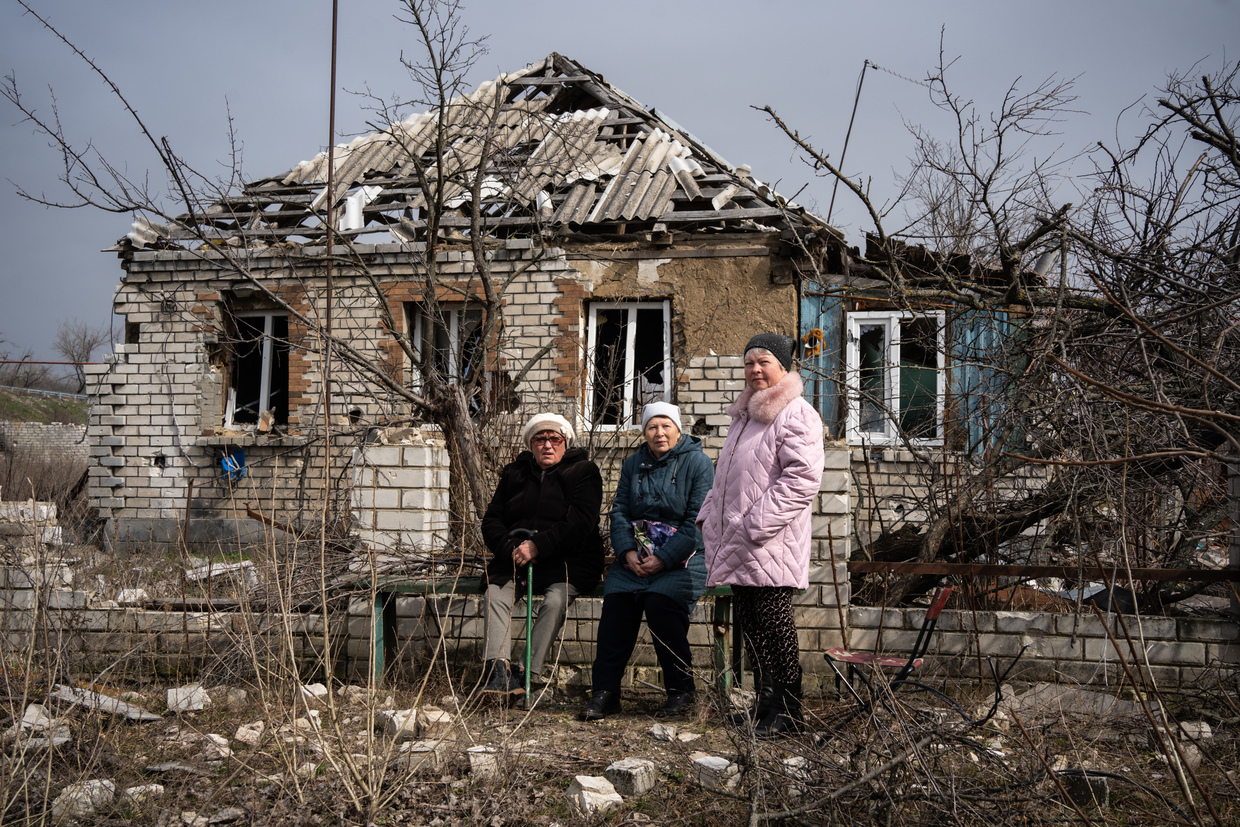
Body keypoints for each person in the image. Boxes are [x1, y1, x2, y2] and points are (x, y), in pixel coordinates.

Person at [697, 333, 825, 737]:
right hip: (737, 543)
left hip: (768, 543)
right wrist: (708, 518)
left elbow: (803, 479)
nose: (754, 369)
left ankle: (789, 712)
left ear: (783, 368)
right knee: (753, 629)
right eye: (749, 362)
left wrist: (756, 526)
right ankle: (765, 705)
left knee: (775, 627)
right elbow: (728, 481)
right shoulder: (747, 416)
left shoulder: (796, 413)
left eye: (764, 362)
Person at [579, 402, 715, 721]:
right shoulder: (633, 464)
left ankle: (681, 693)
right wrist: (626, 551)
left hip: (684, 559)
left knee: (660, 605)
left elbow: (697, 520)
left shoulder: (698, 464)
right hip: (635, 558)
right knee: (617, 606)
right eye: (652, 427)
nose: (659, 433)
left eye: (666, 425)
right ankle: (606, 693)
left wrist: (663, 558)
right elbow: (620, 512)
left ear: (678, 429)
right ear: (644, 432)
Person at [479, 412, 605, 695]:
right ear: (531, 444)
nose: (547, 445)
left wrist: (539, 545)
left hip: (568, 559)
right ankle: (499, 672)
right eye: (540, 439)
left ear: (565, 442)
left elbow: (581, 522)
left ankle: (526, 672)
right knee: (495, 594)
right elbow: (491, 521)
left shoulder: (584, 471)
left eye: (554, 439)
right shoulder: (515, 473)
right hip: (517, 559)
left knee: (555, 600)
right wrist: (512, 550)